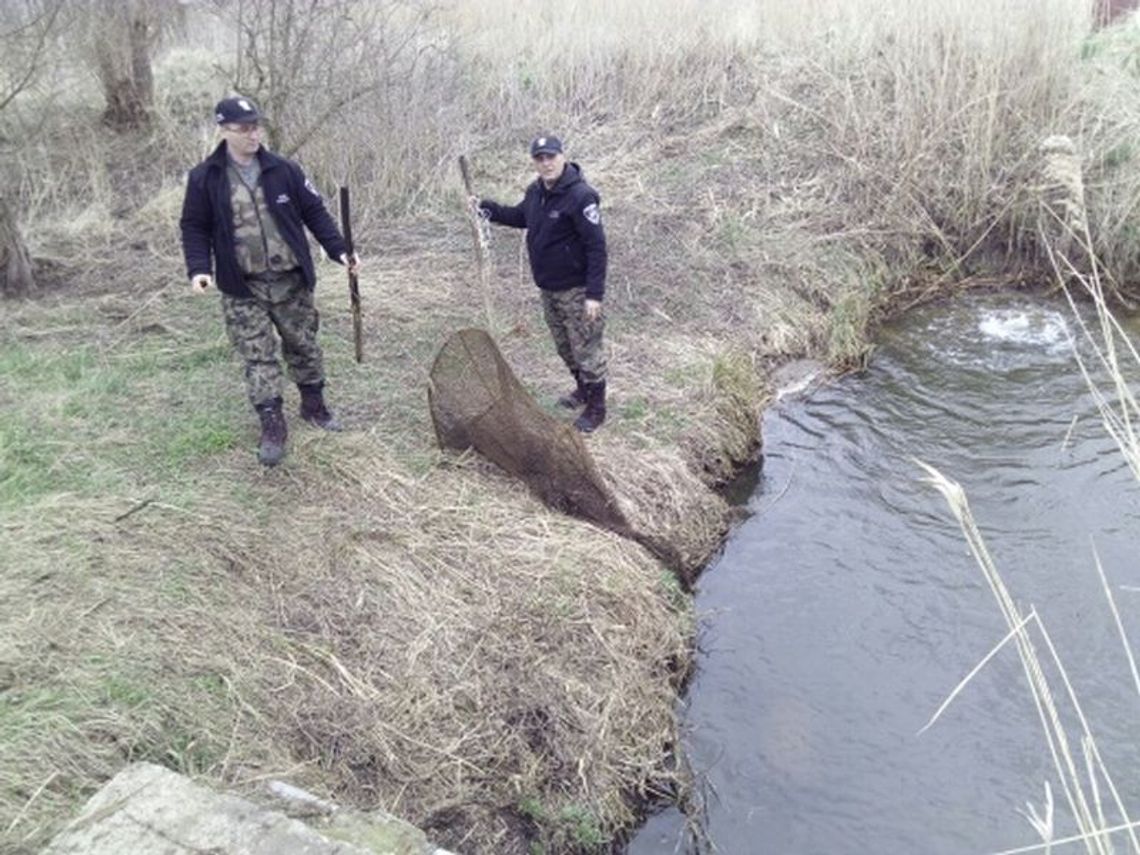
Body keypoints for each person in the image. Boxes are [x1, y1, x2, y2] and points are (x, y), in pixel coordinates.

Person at [179, 95, 359, 466]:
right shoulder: (205, 178)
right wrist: (199, 269)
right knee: (258, 356)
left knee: (303, 344)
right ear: (224, 131)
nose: (253, 134)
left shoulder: (285, 170)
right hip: (242, 286)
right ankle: (272, 423)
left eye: (256, 126)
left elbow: (315, 213)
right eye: (243, 129)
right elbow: (193, 226)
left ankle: (314, 407)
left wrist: (340, 250)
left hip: (290, 280)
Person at [473, 134, 609, 433]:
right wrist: (486, 208)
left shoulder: (581, 196)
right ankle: (582, 390)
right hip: (548, 288)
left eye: (551, 156)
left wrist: (594, 295)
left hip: (577, 290)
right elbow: (520, 216)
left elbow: (597, 247)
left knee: (587, 347)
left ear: (562, 156)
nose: (546, 163)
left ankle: (597, 407)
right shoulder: (535, 192)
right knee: (564, 346)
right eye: (540, 158)